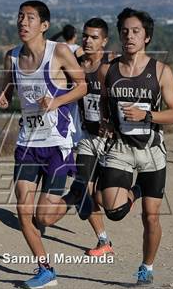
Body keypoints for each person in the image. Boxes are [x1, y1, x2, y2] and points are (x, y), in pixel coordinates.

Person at [0, 0, 86, 289]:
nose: (23, 22)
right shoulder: (12, 56)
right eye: (20, 17)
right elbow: (6, 88)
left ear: (44, 26)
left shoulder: (57, 53)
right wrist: (2, 98)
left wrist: (56, 100)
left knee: (44, 215)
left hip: (57, 142)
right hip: (27, 143)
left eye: (30, 18)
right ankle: (46, 270)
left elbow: (82, 86)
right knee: (23, 210)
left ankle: (76, 195)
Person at [97, 7, 173, 285]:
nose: (129, 36)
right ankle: (135, 190)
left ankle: (147, 265)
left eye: (136, 31)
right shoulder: (107, 70)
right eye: (124, 31)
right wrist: (106, 121)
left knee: (151, 217)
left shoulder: (160, 71)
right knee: (114, 210)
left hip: (151, 152)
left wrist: (147, 115)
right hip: (121, 149)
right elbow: (102, 102)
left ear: (146, 37)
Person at [70, 18, 117, 257]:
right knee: (82, 188)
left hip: (113, 141)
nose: (88, 40)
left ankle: (137, 191)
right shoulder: (75, 64)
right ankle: (103, 240)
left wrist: (113, 124)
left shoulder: (112, 66)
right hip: (88, 137)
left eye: (94, 37)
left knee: (109, 201)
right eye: (85, 36)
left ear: (104, 41)